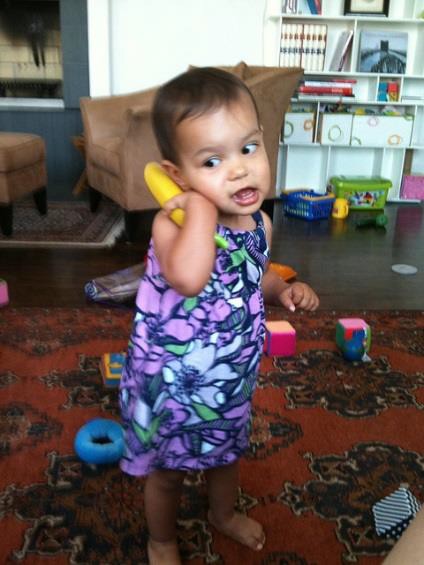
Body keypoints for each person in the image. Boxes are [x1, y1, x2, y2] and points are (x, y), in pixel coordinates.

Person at [119, 67, 319, 565]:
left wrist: (283, 289)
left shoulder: (260, 222)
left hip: (229, 378)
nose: (239, 169)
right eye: (212, 160)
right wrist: (199, 214)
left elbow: (256, 273)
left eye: (249, 148)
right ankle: (161, 539)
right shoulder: (172, 226)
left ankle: (222, 513)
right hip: (170, 383)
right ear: (176, 177)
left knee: (227, 453)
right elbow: (189, 277)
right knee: (167, 474)